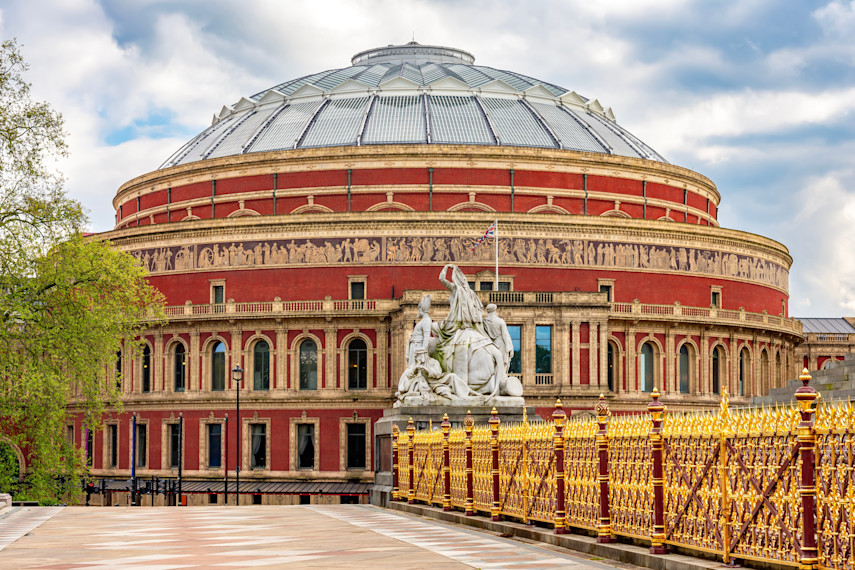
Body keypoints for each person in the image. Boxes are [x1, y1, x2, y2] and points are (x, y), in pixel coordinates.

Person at [483, 304, 513, 372]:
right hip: (501, 343)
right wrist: (509, 347)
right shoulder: (500, 321)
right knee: (502, 364)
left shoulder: (484, 322)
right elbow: (505, 335)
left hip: (490, 344)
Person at [406, 295, 432, 368]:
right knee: (411, 367)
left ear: (422, 309)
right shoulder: (422, 321)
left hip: (418, 347)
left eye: (419, 308)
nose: (418, 310)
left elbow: (426, 337)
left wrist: (422, 351)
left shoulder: (427, 320)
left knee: (414, 367)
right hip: (415, 346)